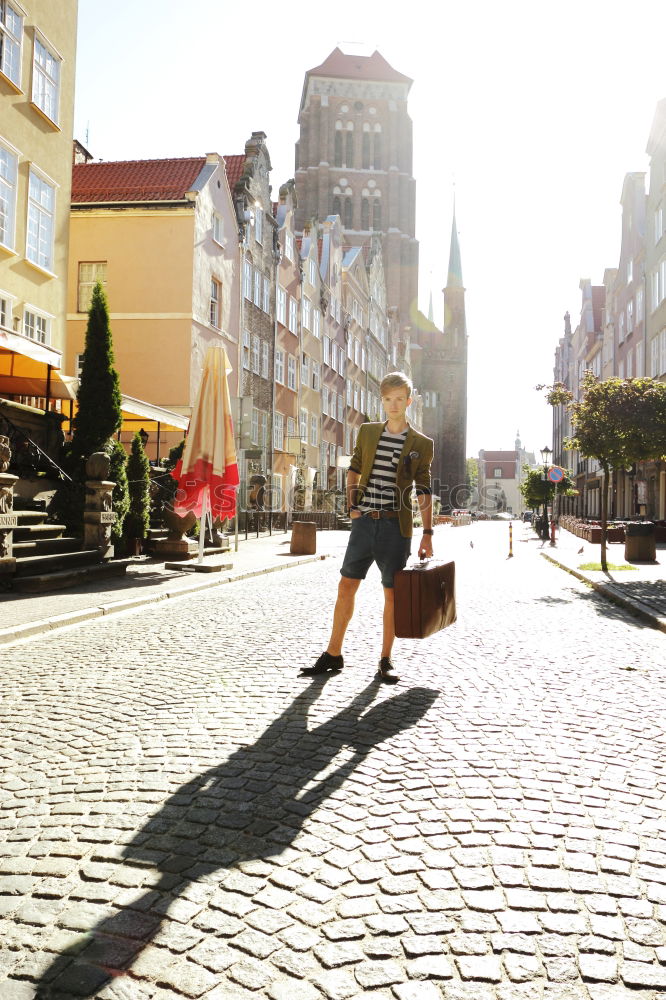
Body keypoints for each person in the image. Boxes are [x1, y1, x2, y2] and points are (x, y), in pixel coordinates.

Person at [303, 372, 434, 684]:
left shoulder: (421, 444)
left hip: (395, 528)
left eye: (399, 399)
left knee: (391, 595)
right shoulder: (367, 432)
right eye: (388, 399)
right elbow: (355, 470)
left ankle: (386, 659)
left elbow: (424, 489)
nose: (393, 404)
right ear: (382, 400)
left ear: (409, 401)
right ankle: (333, 653)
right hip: (364, 525)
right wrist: (353, 508)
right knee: (346, 586)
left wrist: (428, 533)